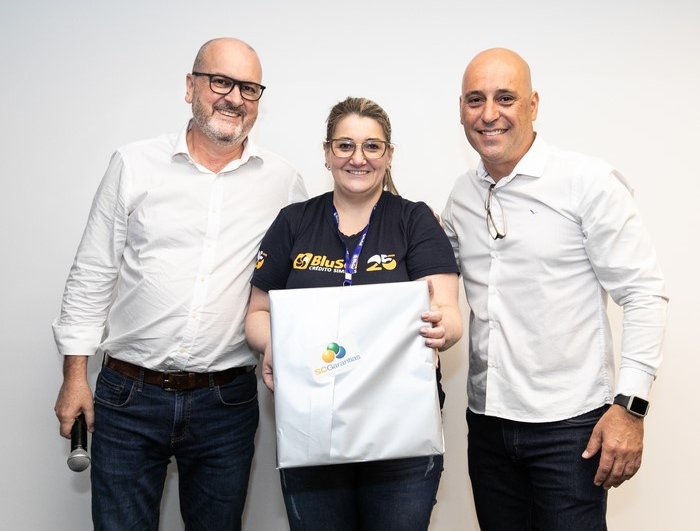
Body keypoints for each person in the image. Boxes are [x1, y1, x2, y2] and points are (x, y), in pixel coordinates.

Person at [52, 37, 307, 530]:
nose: (234, 98)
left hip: (226, 403)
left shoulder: (283, 182)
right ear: (191, 86)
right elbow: (92, 272)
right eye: (221, 82)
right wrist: (74, 376)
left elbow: (307, 273)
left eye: (249, 88)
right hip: (127, 397)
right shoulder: (134, 164)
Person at [441, 47, 668, 530]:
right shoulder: (461, 195)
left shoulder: (587, 182)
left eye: (505, 98)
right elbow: (429, 275)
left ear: (533, 104)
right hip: (487, 425)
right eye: (475, 99)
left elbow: (643, 293)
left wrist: (630, 408)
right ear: (461, 109)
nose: (488, 113)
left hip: (571, 430)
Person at [245, 96, 463, 531]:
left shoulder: (415, 221)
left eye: (372, 146)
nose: (357, 158)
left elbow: (449, 313)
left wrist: (443, 327)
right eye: (345, 145)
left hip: (401, 426)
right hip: (311, 422)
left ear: (389, 154)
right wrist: (275, 345)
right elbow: (257, 312)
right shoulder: (293, 221)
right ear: (327, 153)